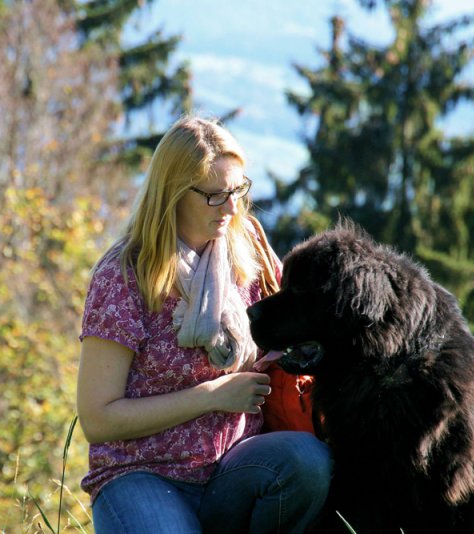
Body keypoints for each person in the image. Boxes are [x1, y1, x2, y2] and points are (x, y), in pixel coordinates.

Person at [77, 115, 332, 533]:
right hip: (140, 476)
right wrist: (210, 396)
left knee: (307, 462)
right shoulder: (124, 276)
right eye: (215, 196)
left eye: (236, 190)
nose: (231, 208)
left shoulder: (247, 253)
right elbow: (98, 419)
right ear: (172, 194)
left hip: (232, 469)